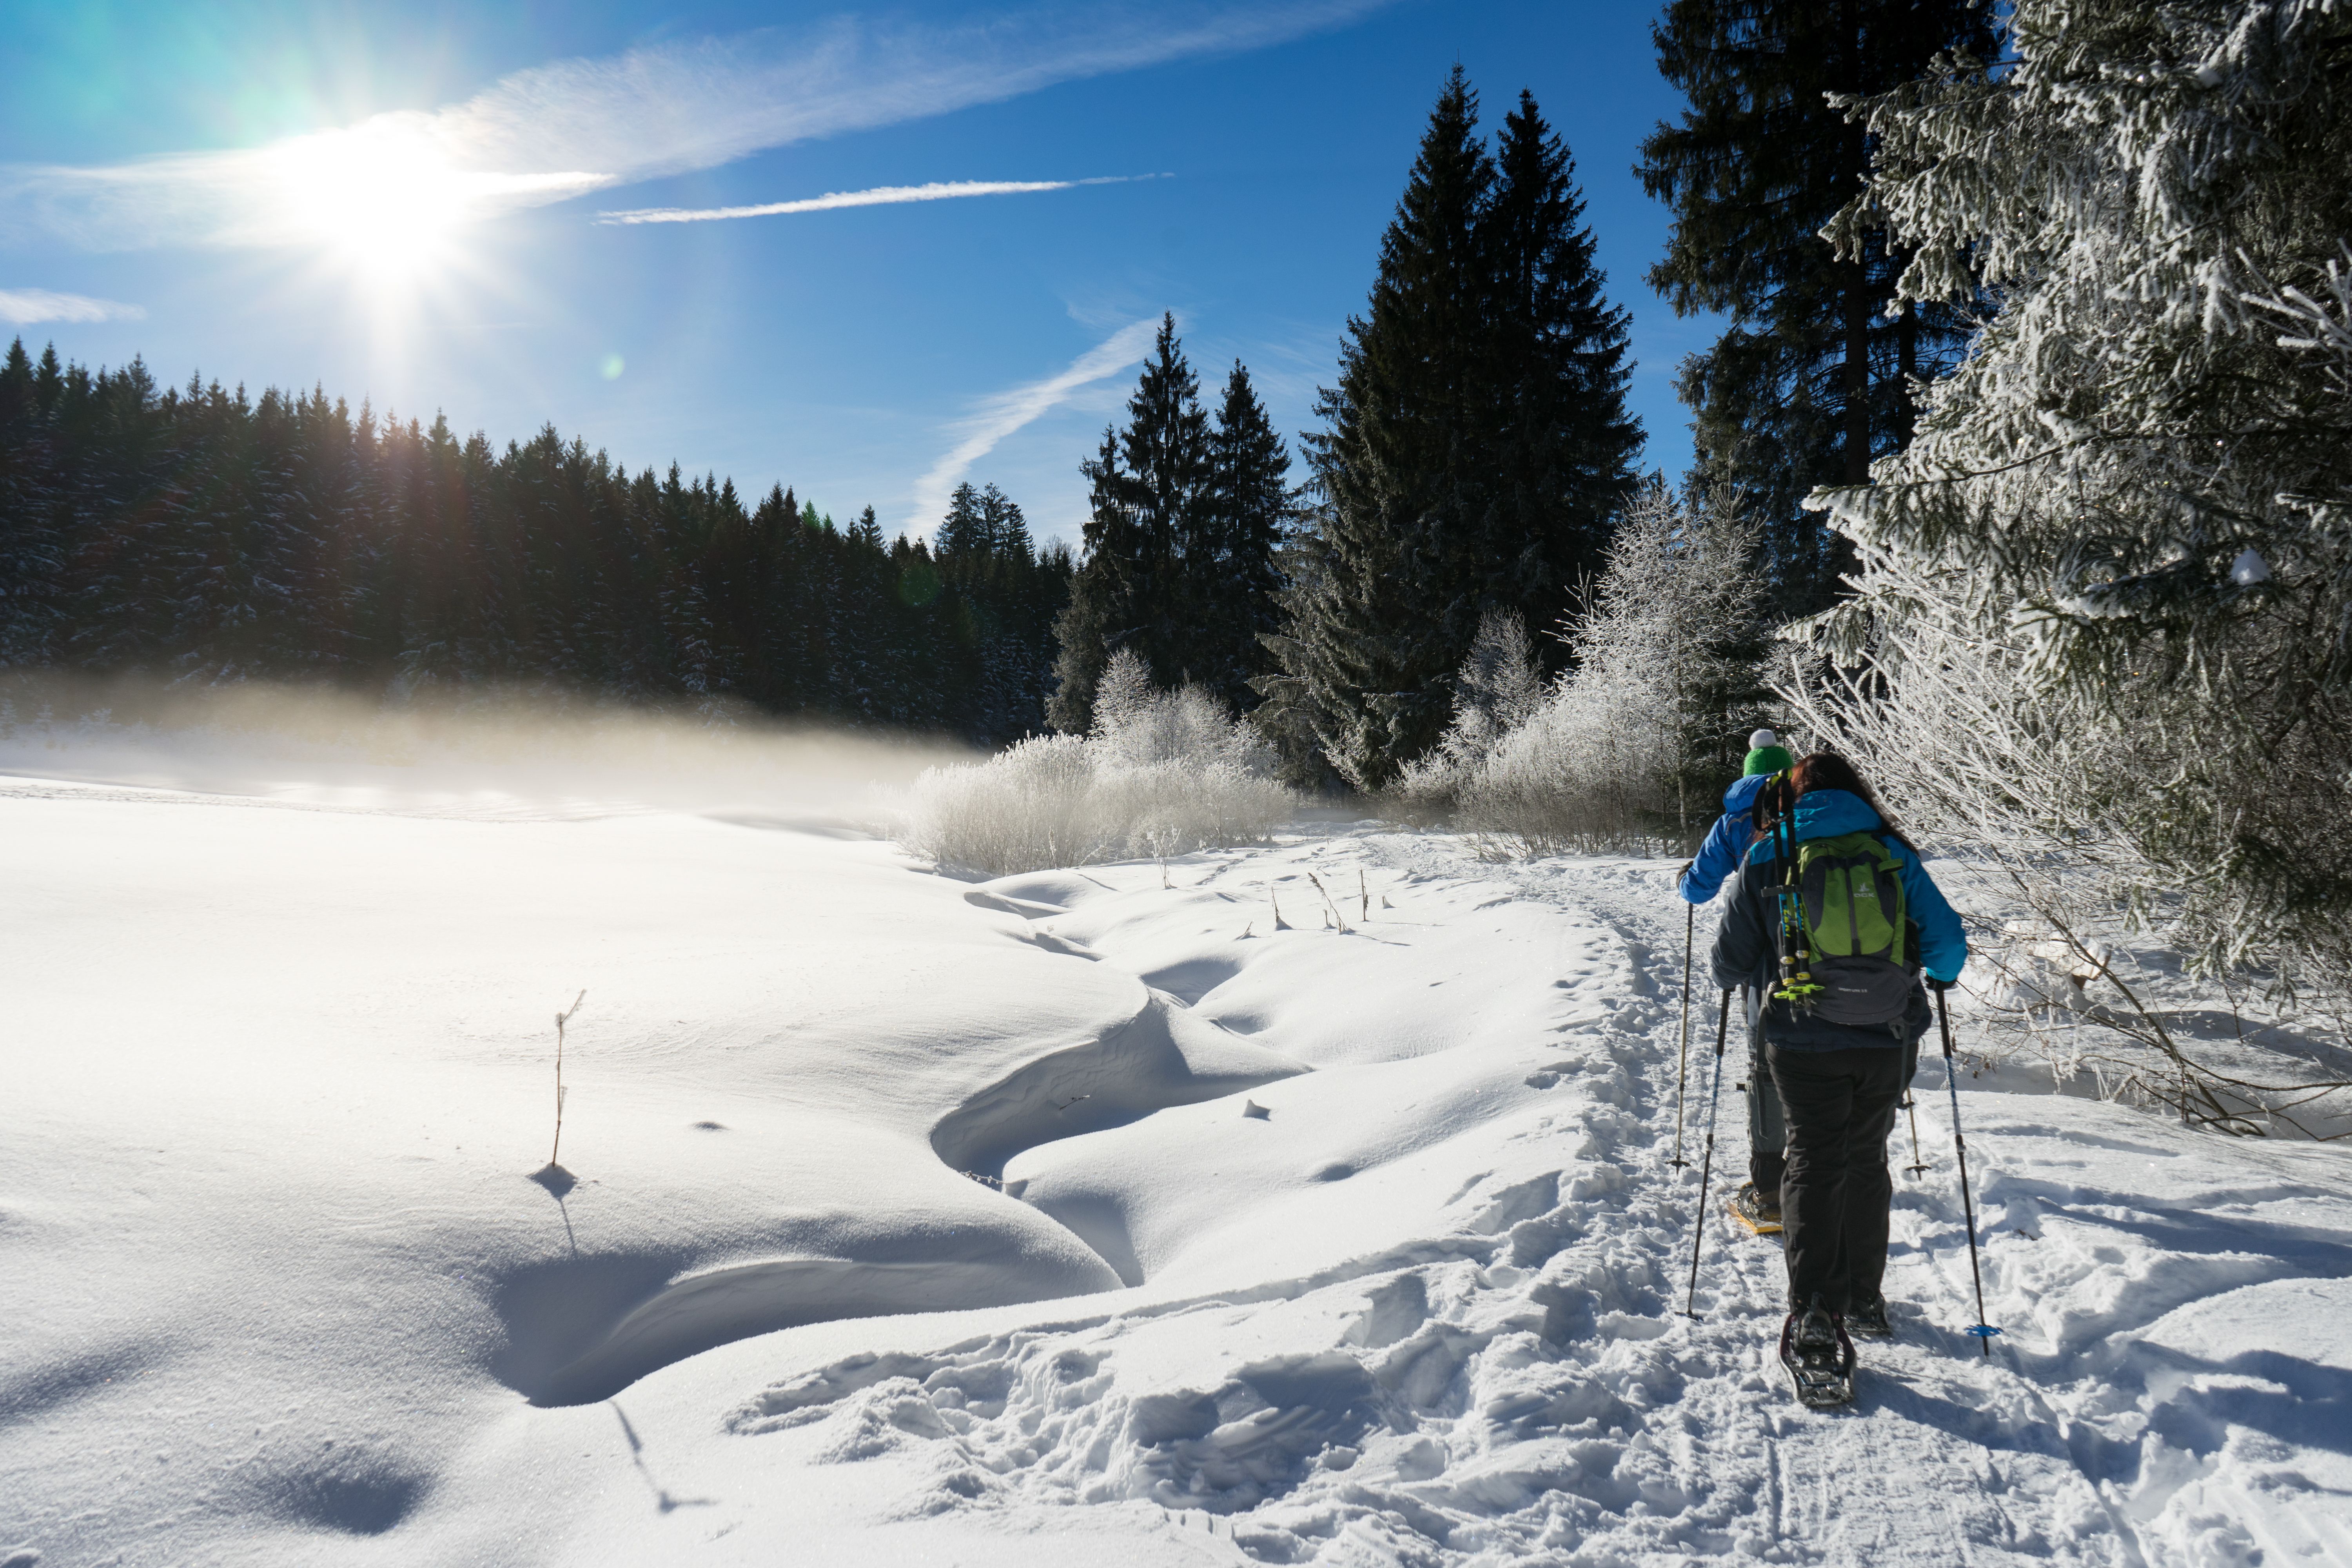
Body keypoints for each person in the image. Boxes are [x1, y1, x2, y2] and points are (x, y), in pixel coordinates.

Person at [1707, 751, 1966, 1352]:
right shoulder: (1891, 851)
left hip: (1801, 1038)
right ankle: (1863, 1297)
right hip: (1887, 1037)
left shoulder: (1768, 854)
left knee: (1815, 1160)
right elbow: (1948, 946)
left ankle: (1816, 1310)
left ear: (1794, 796)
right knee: (1865, 1158)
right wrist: (1938, 978)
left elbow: (1727, 965)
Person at [1680, 727, 1794, 1236]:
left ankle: (1769, 1188)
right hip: (1821, 954)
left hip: (1759, 962)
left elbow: (1699, 887)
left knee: (1764, 1065)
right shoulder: (1810, 811)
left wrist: (1685, 879)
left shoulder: (1735, 819)